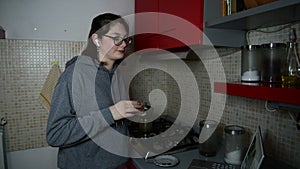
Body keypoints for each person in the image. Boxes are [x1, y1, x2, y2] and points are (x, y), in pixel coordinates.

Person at [46, 13, 146, 169]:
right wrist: (111, 113)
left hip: (118, 164)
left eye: (126, 39)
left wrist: (131, 113)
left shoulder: (119, 74)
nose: (124, 44)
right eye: (116, 38)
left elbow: (116, 121)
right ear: (97, 39)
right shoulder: (73, 75)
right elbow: (56, 134)